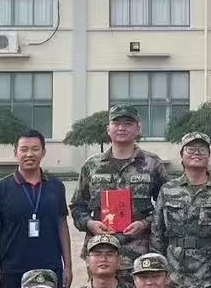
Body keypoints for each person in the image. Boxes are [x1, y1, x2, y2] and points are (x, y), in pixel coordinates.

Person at [0, 129, 71, 288]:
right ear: (15, 153)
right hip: (12, 271)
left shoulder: (56, 187)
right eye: (24, 149)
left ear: (43, 152)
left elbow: (62, 224)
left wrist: (68, 266)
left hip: (50, 268)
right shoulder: (0, 190)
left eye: (35, 149)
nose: (29, 154)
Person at [148, 131, 211, 288]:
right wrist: (158, 269)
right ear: (182, 154)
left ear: (209, 155)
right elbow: (157, 231)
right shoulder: (168, 190)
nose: (197, 153)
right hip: (174, 273)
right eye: (191, 149)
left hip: (209, 273)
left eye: (202, 149)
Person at [69, 104, 168, 252]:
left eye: (128, 124)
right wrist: (89, 224)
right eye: (116, 123)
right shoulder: (92, 165)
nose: (122, 128)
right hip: (101, 250)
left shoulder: (152, 163)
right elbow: (78, 205)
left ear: (138, 129)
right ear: (108, 129)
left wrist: (145, 223)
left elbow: (166, 205)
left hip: (140, 250)